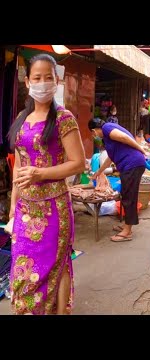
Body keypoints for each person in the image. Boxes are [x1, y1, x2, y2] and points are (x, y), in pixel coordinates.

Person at [7, 53, 86, 315]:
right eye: (37, 78)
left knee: (57, 264)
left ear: (57, 80)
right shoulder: (21, 118)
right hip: (25, 210)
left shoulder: (64, 119)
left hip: (54, 209)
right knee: (24, 269)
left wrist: (40, 174)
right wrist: (12, 208)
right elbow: (19, 167)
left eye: (48, 77)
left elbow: (78, 164)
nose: (43, 83)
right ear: (28, 82)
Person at [89, 118, 147, 242]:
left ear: (94, 130)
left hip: (132, 164)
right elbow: (110, 157)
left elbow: (125, 138)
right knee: (126, 195)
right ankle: (127, 225)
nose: (94, 136)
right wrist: (98, 172)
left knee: (129, 197)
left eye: (93, 134)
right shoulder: (107, 138)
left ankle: (127, 232)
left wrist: (140, 149)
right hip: (130, 166)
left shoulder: (107, 128)